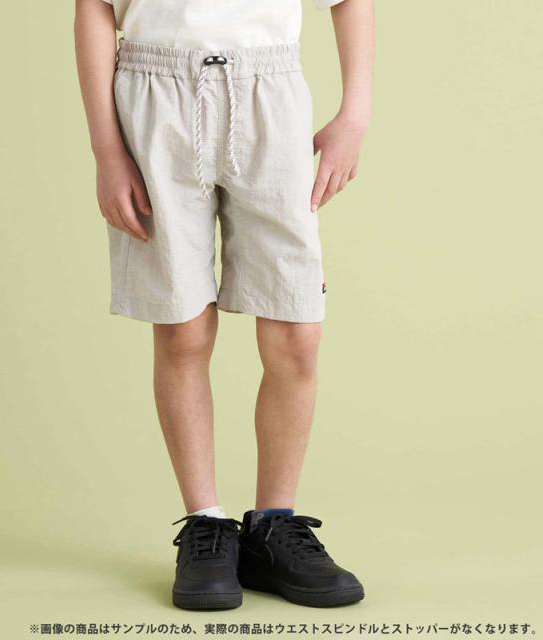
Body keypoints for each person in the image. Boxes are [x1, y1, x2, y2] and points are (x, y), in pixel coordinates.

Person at [75, 0, 374, 610]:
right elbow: (94, 8)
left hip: (271, 90)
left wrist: (355, 114)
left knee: (296, 330)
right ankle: (205, 524)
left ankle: (273, 527)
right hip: (155, 92)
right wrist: (106, 151)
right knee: (182, 329)